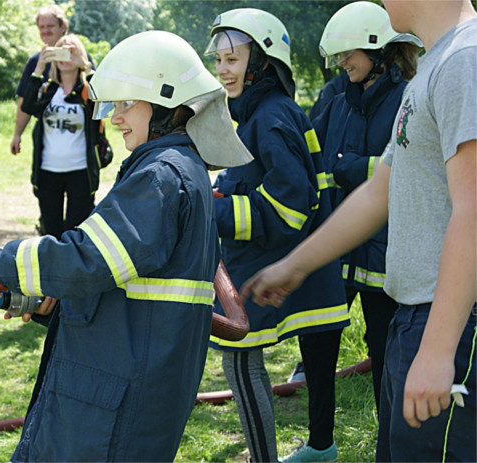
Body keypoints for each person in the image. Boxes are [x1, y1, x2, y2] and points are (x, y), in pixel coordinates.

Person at [0, 30, 252, 462]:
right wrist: (51, 304)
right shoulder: (176, 169)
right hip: (128, 380)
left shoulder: (161, 176)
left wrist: (3, 263)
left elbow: (92, 258)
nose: (115, 118)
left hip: (115, 395)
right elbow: (137, 290)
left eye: (126, 103)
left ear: (165, 102)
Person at [240, 0, 476, 460]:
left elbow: (474, 209)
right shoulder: (435, 65)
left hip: (450, 324)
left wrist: (437, 349)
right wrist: (295, 265)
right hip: (419, 319)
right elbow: (379, 193)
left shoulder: (464, 61)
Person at [204, 9, 349, 463]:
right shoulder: (263, 111)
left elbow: (288, 204)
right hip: (297, 263)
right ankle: (319, 447)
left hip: (277, 263)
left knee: (240, 359)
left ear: (262, 62)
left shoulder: (269, 116)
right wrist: (227, 188)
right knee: (305, 362)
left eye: (233, 59)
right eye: (219, 60)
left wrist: (217, 211)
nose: (223, 69)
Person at [311, 1, 422, 420]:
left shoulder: (408, 99)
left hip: (385, 256)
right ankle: (320, 442)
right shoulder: (338, 102)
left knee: (385, 359)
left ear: (378, 51)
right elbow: (321, 166)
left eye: (349, 53)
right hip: (340, 254)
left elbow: (409, 170)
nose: (342, 63)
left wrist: (355, 168)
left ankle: (388, 445)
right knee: (319, 346)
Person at [20, 34, 100, 238]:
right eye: (61, 51)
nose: (66, 57)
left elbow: (102, 103)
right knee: (51, 229)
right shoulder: (48, 90)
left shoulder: (86, 91)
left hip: (80, 170)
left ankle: (74, 269)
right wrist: (39, 68)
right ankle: (51, 268)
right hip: (48, 170)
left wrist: (86, 67)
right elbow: (28, 106)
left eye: (71, 51)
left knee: (77, 229)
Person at [10, 5, 68, 158]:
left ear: (62, 27)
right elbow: (25, 100)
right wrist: (17, 134)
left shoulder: (79, 57)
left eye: (50, 26)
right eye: (41, 27)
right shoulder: (35, 61)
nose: (45, 31)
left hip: (78, 136)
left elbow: (95, 99)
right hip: (45, 137)